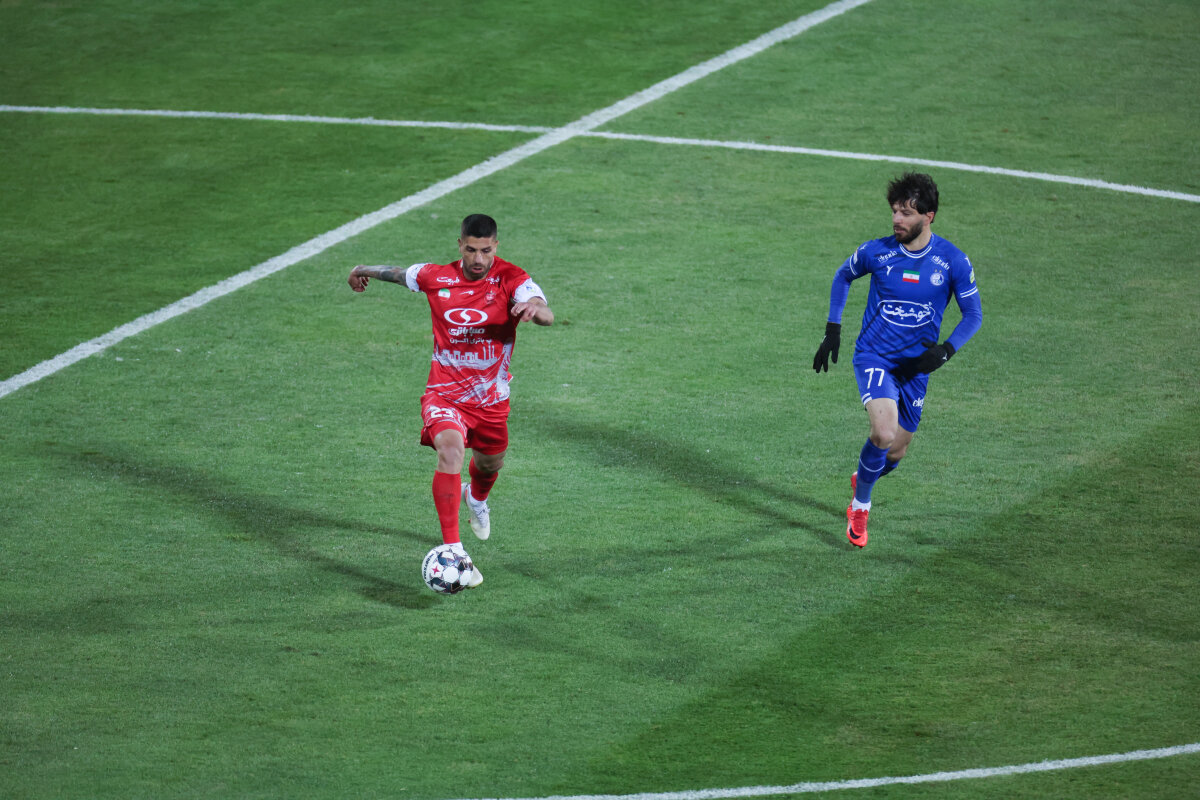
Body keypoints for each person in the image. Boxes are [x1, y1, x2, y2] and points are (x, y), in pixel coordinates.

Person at [348, 214, 554, 586]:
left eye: (486, 251)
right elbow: (398, 274)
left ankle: (476, 498)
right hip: (444, 395)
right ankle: (455, 551)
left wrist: (535, 310)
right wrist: (362, 270)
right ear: (460, 245)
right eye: (471, 250)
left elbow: (544, 311)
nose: (478, 259)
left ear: (496, 246)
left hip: (491, 402)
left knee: (490, 464)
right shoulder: (436, 277)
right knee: (451, 452)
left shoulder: (511, 278)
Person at [812, 173, 982, 548]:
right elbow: (843, 276)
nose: (896, 220)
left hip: (915, 368)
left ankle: (865, 476)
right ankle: (860, 507)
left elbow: (973, 314)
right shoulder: (878, 252)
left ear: (929, 216)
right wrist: (833, 328)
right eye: (894, 211)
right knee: (884, 432)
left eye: (906, 213)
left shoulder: (952, 261)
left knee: (896, 450)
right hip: (875, 356)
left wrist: (946, 350)